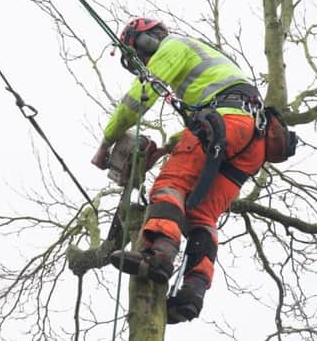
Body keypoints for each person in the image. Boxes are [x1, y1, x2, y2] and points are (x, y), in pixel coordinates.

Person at [91, 17, 266, 323]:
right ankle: (192, 292)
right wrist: (169, 146)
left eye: (142, 53)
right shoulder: (208, 64)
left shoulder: (173, 46)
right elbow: (207, 116)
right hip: (252, 141)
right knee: (202, 215)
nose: (145, 61)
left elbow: (139, 97)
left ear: (150, 39)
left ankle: (158, 256)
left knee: (170, 185)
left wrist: (105, 143)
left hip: (224, 123)